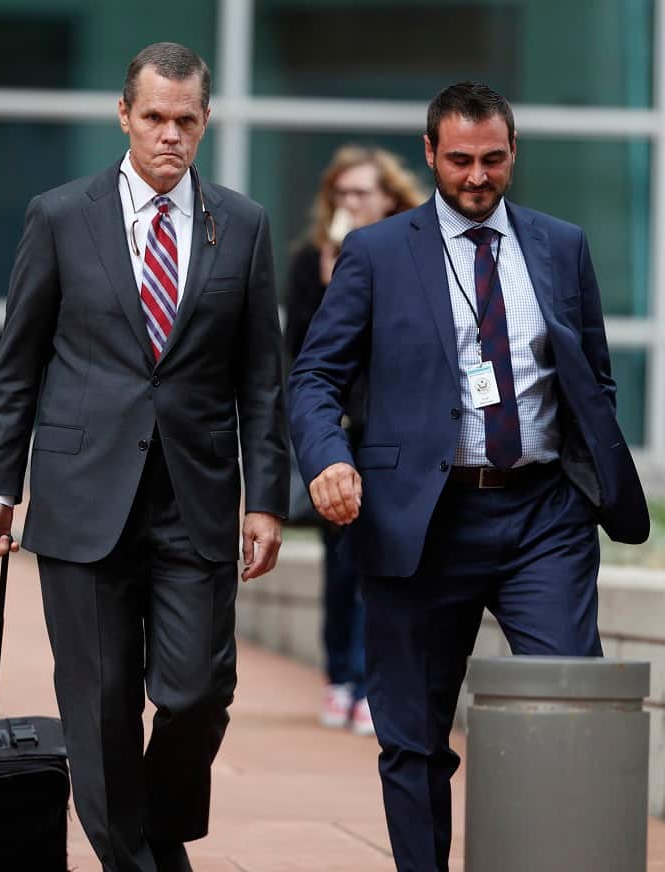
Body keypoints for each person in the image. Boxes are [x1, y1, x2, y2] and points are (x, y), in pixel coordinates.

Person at [287, 81, 649, 872]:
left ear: (513, 152)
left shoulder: (561, 244)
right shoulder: (378, 253)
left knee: (566, 707)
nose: (477, 177)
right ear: (428, 154)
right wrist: (329, 457)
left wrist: (588, 471)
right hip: (421, 520)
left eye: (492, 160)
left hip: (544, 517)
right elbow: (313, 376)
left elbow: (592, 374)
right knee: (414, 739)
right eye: (460, 160)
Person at [0, 42, 289, 872]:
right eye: (154, 118)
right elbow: (17, 364)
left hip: (196, 497)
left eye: (186, 121)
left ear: (206, 121)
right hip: (83, 496)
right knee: (101, 706)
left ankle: (156, 830)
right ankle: (138, 863)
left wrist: (264, 499)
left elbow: (262, 378)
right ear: (124, 115)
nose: (170, 136)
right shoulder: (61, 215)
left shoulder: (242, 224)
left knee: (196, 694)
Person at [283, 145, 424, 737]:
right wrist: (328, 280)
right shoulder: (311, 261)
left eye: (362, 193)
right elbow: (307, 356)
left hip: (394, 431)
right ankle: (340, 675)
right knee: (339, 565)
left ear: (390, 196)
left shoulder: (415, 253)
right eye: (342, 194)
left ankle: (372, 682)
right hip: (339, 433)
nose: (350, 203)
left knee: (386, 562)